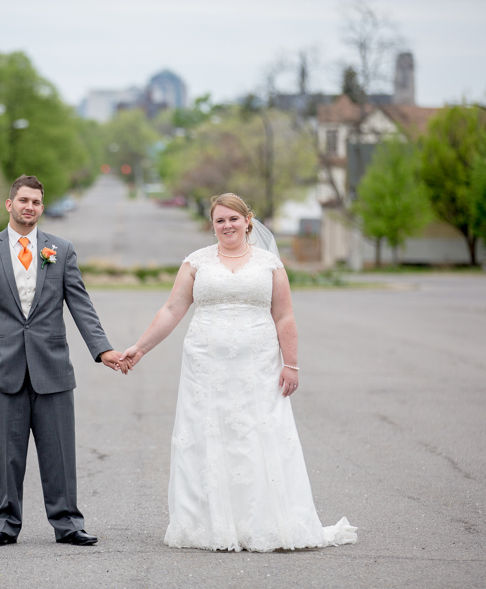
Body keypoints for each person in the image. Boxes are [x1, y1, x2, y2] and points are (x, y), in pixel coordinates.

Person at [119, 193, 357, 552]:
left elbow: (284, 316)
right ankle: (209, 523)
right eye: (220, 220)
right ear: (212, 225)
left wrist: (291, 364)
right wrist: (140, 348)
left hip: (258, 366)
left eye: (233, 218)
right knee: (208, 437)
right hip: (205, 366)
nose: (227, 225)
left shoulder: (270, 264)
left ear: (248, 220)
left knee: (256, 435)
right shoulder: (196, 263)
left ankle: (261, 521)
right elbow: (171, 309)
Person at [0, 175, 123, 547]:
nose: (29, 207)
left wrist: (103, 349)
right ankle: (5, 523)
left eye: (35, 202)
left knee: (60, 452)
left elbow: (81, 304)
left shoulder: (60, 250)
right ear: (10, 204)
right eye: (23, 200)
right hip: (3, 368)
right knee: (7, 455)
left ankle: (67, 523)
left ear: (41, 207)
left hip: (52, 367)